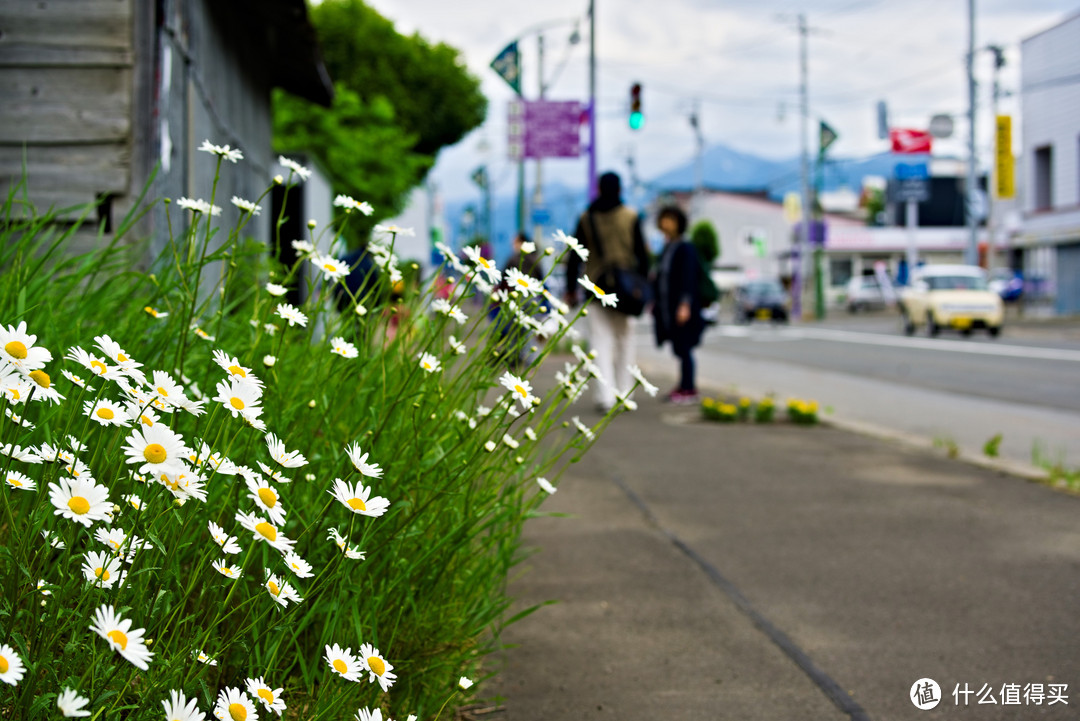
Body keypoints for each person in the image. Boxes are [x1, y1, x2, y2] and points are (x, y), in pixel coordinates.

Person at [565, 172, 650, 412]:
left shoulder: (586, 217)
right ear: (620, 189)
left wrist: (571, 288)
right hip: (627, 289)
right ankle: (624, 393)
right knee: (625, 340)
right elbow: (642, 257)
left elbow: (574, 255)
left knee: (600, 343)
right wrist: (641, 287)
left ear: (599, 189)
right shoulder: (631, 216)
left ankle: (605, 397)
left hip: (595, 286)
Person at [651, 205, 705, 403]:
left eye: (671, 219)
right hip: (668, 307)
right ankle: (684, 385)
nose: (666, 223)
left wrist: (685, 304)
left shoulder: (685, 247)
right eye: (664, 219)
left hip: (682, 307)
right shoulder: (668, 247)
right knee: (679, 347)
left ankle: (689, 388)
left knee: (684, 348)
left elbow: (688, 279)